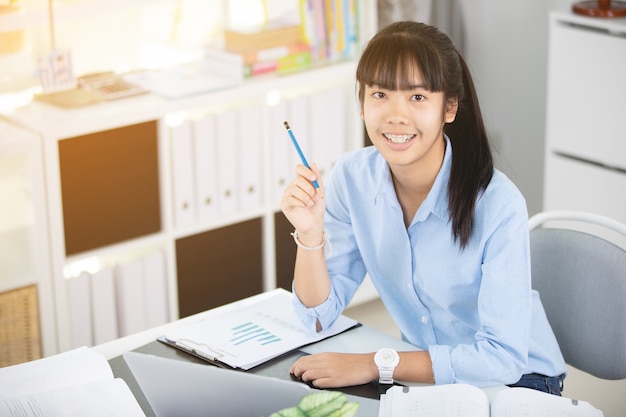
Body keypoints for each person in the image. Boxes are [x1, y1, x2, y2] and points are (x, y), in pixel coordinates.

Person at [279, 21, 566, 394]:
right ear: (362, 105)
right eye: (380, 94)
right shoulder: (353, 177)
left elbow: (502, 358)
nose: (396, 115)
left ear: (449, 107)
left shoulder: (498, 204)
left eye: (417, 97)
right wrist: (310, 234)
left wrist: (374, 363)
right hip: (430, 375)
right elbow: (317, 316)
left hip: (519, 382)